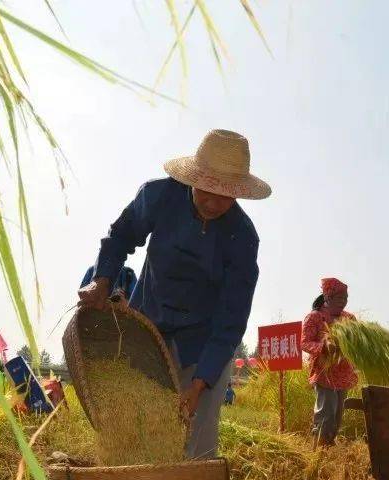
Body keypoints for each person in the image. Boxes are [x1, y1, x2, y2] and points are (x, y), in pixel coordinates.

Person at [78, 129, 270, 459]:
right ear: (193, 179)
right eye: (206, 191)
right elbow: (119, 237)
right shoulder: (160, 197)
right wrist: (103, 279)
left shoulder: (242, 236)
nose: (212, 203)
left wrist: (200, 383)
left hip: (203, 343)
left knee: (197, 438)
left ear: (239, 193)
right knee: (138, 426)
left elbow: (231, 318)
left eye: (225, 196)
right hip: (148, 330)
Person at [301, 278, 358, 447]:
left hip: (344, 373)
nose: (344, 302)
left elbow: (356, 341)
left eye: (346, 298)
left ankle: (328, 448)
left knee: (337, 417)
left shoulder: (349, 318)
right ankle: (319, 452)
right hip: (325, 373)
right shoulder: (315, 317)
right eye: (340, 298)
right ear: (328, 297)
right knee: (326, 415)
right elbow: (304, 342)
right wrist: (323, 346)